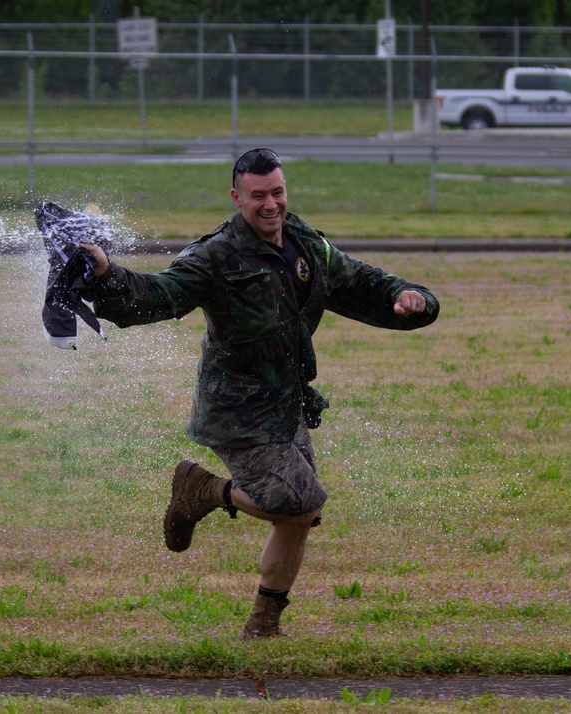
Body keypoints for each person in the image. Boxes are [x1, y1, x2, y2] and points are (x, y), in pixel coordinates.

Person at [79, 148, 439, 637]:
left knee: (298, 516)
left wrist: (406, 296)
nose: (271, 205)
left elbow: (358, 279)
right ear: (236, 197)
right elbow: (157, 294)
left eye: (278, 192)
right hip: (236, 410)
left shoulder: (304, 242)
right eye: (258, 196)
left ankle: (263, 625)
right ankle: (203, 491)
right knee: (301, 501)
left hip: (285, 402)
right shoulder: (214, 256)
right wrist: (105, 274)